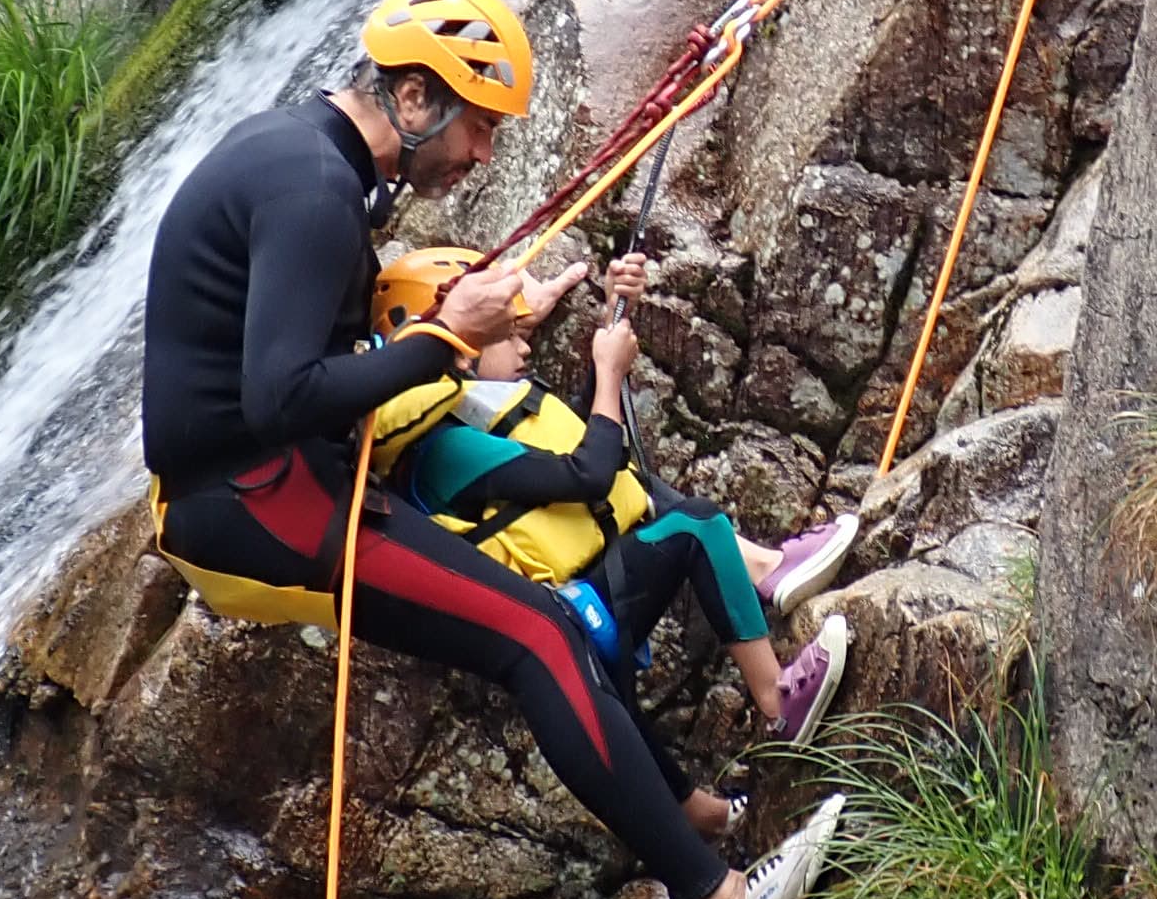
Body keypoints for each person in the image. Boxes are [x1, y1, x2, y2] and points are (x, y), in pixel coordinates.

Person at [140, 0, 838, 899]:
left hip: (262, 486)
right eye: (477, 125)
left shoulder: (305, 157)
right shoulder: (313, 188)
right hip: (258, 496)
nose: (483, 151)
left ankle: (701, 837)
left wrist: (464, 328)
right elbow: (280, 394)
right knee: (533, 630)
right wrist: (440, 339)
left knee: (541, 624)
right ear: (414, 96)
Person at [367, 245, 858, 806]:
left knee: (624, 718)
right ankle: (776, 701)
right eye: (507, 333)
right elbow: (590, 471)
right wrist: (608, 370)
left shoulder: (474, 423)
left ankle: (713, 820)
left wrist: (614, 314)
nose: (525, 343)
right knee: (693, 526)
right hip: (569, 615)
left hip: (582, 603)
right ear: (460, 350)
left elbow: (570, 442)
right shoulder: (446, 451)